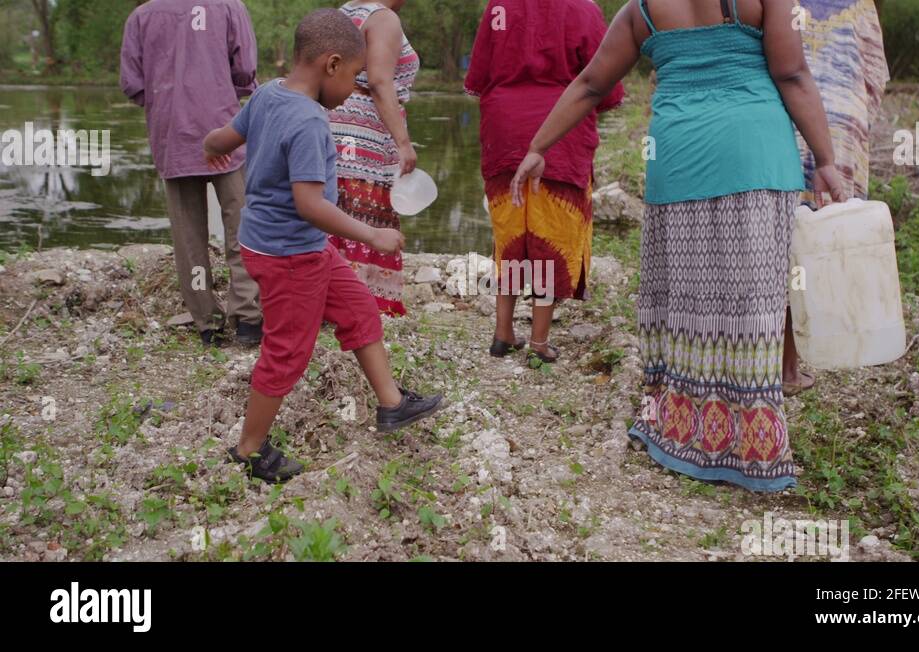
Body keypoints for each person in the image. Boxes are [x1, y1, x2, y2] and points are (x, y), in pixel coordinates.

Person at [510, 0, 846, 492]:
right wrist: (827, 160)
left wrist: (538, 148)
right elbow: (792, 73)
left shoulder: (640, 10)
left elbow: (590, 84)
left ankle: (680, 427)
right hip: (752, 152)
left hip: (678, 157)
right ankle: (751, 442)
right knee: (752, 297)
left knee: (685, 294)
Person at [203, 9, 443, 483]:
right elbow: (310, 203)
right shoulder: (311, 122)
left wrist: (210, 144)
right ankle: (249, 449)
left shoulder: (269, 92)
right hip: (290, 253)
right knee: (288, 351)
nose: (356, 88)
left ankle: (392, 403)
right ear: (331, 65)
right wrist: (373, 233)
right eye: (355, 76)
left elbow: (225, 137)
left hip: (290, 245)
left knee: (357, 309)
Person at [465, 0, 624, 362]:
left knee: (510, 232)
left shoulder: (499, 7)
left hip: (504, 128)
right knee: (549, 233)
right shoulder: (582, 8)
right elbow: (604, 83)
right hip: (562, 128)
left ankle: (502, 333)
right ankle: (538, 343)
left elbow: (479, 76)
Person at [120, 0, 263, 346]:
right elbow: (244, 70)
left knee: (189, 239)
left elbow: (133, 83)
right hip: (225, 130)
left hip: (172, 135)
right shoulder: (228, 6)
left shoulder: (142, 16)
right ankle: (247, 318)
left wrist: (170, 101)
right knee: (242, 228)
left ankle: (207, 323)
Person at [782, 0, 890, 396]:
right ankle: (795, 363)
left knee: (783, 236)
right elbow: (875, 71)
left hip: (785, 117)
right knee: (824, 238)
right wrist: (853, 113)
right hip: (840, 126)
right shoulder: (859, 3)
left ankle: (769, 358)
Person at [327, 0, 420, 317]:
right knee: (362, 208)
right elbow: (380, 82)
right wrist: (404, 143)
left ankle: (327, 298)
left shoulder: (345, 11)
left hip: (333, 120)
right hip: (364, 127)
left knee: (335, 207)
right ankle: (361, 302)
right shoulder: (383, 19)